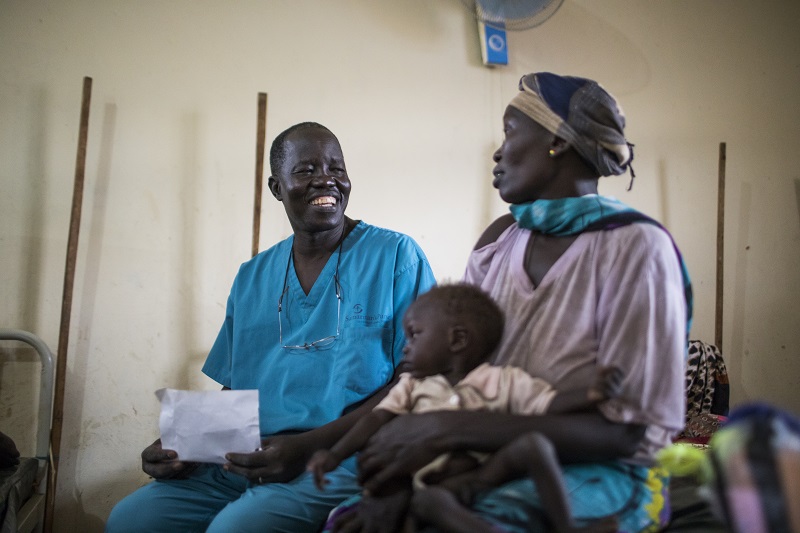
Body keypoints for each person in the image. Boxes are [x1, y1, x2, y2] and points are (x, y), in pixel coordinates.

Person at [332, 73, 692, 533]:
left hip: (602, 470)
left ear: (558, 141)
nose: (498, 153)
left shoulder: (635, 248)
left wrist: (447, 429)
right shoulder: (499, 241)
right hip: (490, 453)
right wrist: (411, 463)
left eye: (509, 131)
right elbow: (458, 374)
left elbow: (626, 434)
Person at [105, 122, 436, 533]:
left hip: (342, 454)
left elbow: (418, 379)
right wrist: (186, 444)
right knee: (131, 520)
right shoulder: (252, 276)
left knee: (235, 529)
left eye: (337, 166)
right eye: (306, 169)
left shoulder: (395, 257)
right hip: (245, 454)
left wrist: (307, 446)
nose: (326, 178)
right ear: (276, 187)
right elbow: (238, 386)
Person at [309, 283, 622, 533]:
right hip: (430, 484)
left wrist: (591, 393)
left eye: (415, 334)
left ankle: (567, 526)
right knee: (429, 503)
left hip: (484, 474)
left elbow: (549, 404)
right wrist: (335, 454)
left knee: (534, 444)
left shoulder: (504, 380)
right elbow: (374, 420)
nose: (406, 346)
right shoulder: (412, 385)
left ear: (457, 340)